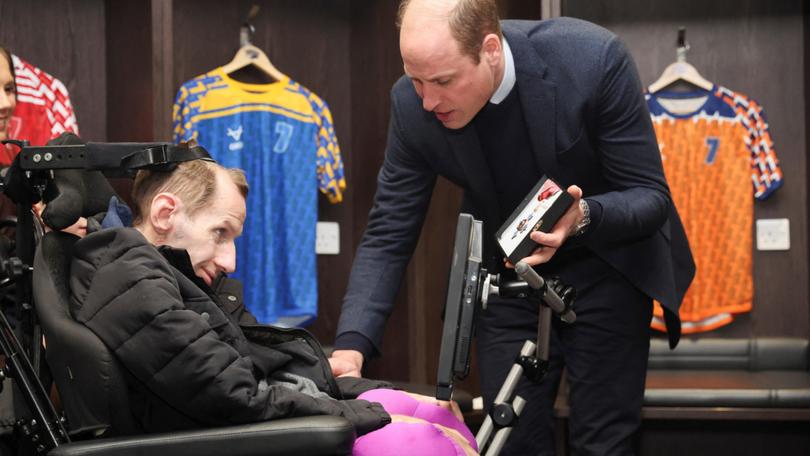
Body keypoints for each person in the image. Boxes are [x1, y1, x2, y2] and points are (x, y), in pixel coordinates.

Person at [330, 1, 695, 454]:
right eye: (415, 78)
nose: (427, 100)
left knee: (604, 442)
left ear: (490, 50)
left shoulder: (591, 60)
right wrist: (352, 343)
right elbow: (390, 227)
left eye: (443, 81)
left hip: (609, 265)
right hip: (506, 274)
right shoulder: (412, 105)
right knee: (512, 440)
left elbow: (649, 196)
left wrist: (580, 217)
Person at [65, 157, 476, 454]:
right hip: (219, 436)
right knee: (420, 442)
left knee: (437, 415)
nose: (230, 260)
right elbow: (234, 396)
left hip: (244, 420)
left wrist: (381, 396)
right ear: (166, 213)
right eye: (219, 233)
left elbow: (265, 364)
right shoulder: (130, 278)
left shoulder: (177, 274)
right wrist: (359, 412)